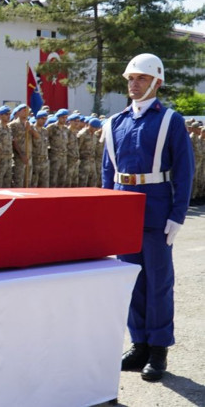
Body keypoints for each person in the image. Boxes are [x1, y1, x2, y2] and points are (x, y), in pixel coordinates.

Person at [104, 54, 193, 382]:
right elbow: (107, 173)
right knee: (131, 281)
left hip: (156, 211)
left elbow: (184, 171)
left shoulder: (171, 120)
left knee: (158, 283)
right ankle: (139, 343)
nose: (133, 83)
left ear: (157, 82)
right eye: (131, 78)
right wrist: (107, 212)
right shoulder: (116, 122)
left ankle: (158, 349)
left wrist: (177, 214)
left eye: (141, 78)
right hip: (124, 210)